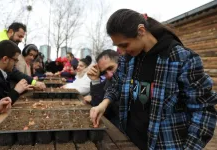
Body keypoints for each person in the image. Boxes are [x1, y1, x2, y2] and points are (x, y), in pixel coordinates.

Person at [90, 9, 217, 150]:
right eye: (118, 46)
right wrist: (104, 103)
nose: (122, 51)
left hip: (166, 144)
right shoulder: (128, 60)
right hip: (131, 140)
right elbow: (117, 84)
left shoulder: (181, 59)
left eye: (125, 45)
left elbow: (204, 111)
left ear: (141, 31)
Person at [0, 22, 46, 90]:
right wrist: (33, 82)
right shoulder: (0, 44)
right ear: (10, 32)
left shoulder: (2, 40)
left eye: (22, 37)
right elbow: (12, 71)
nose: (21, 40)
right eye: (19, 36)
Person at [86, 49, 121, 127]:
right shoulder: (108, 82)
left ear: (120, 62)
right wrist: (95, 80)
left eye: (110, 68)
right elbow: (101, 109)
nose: (109, 75)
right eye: (104, 72)